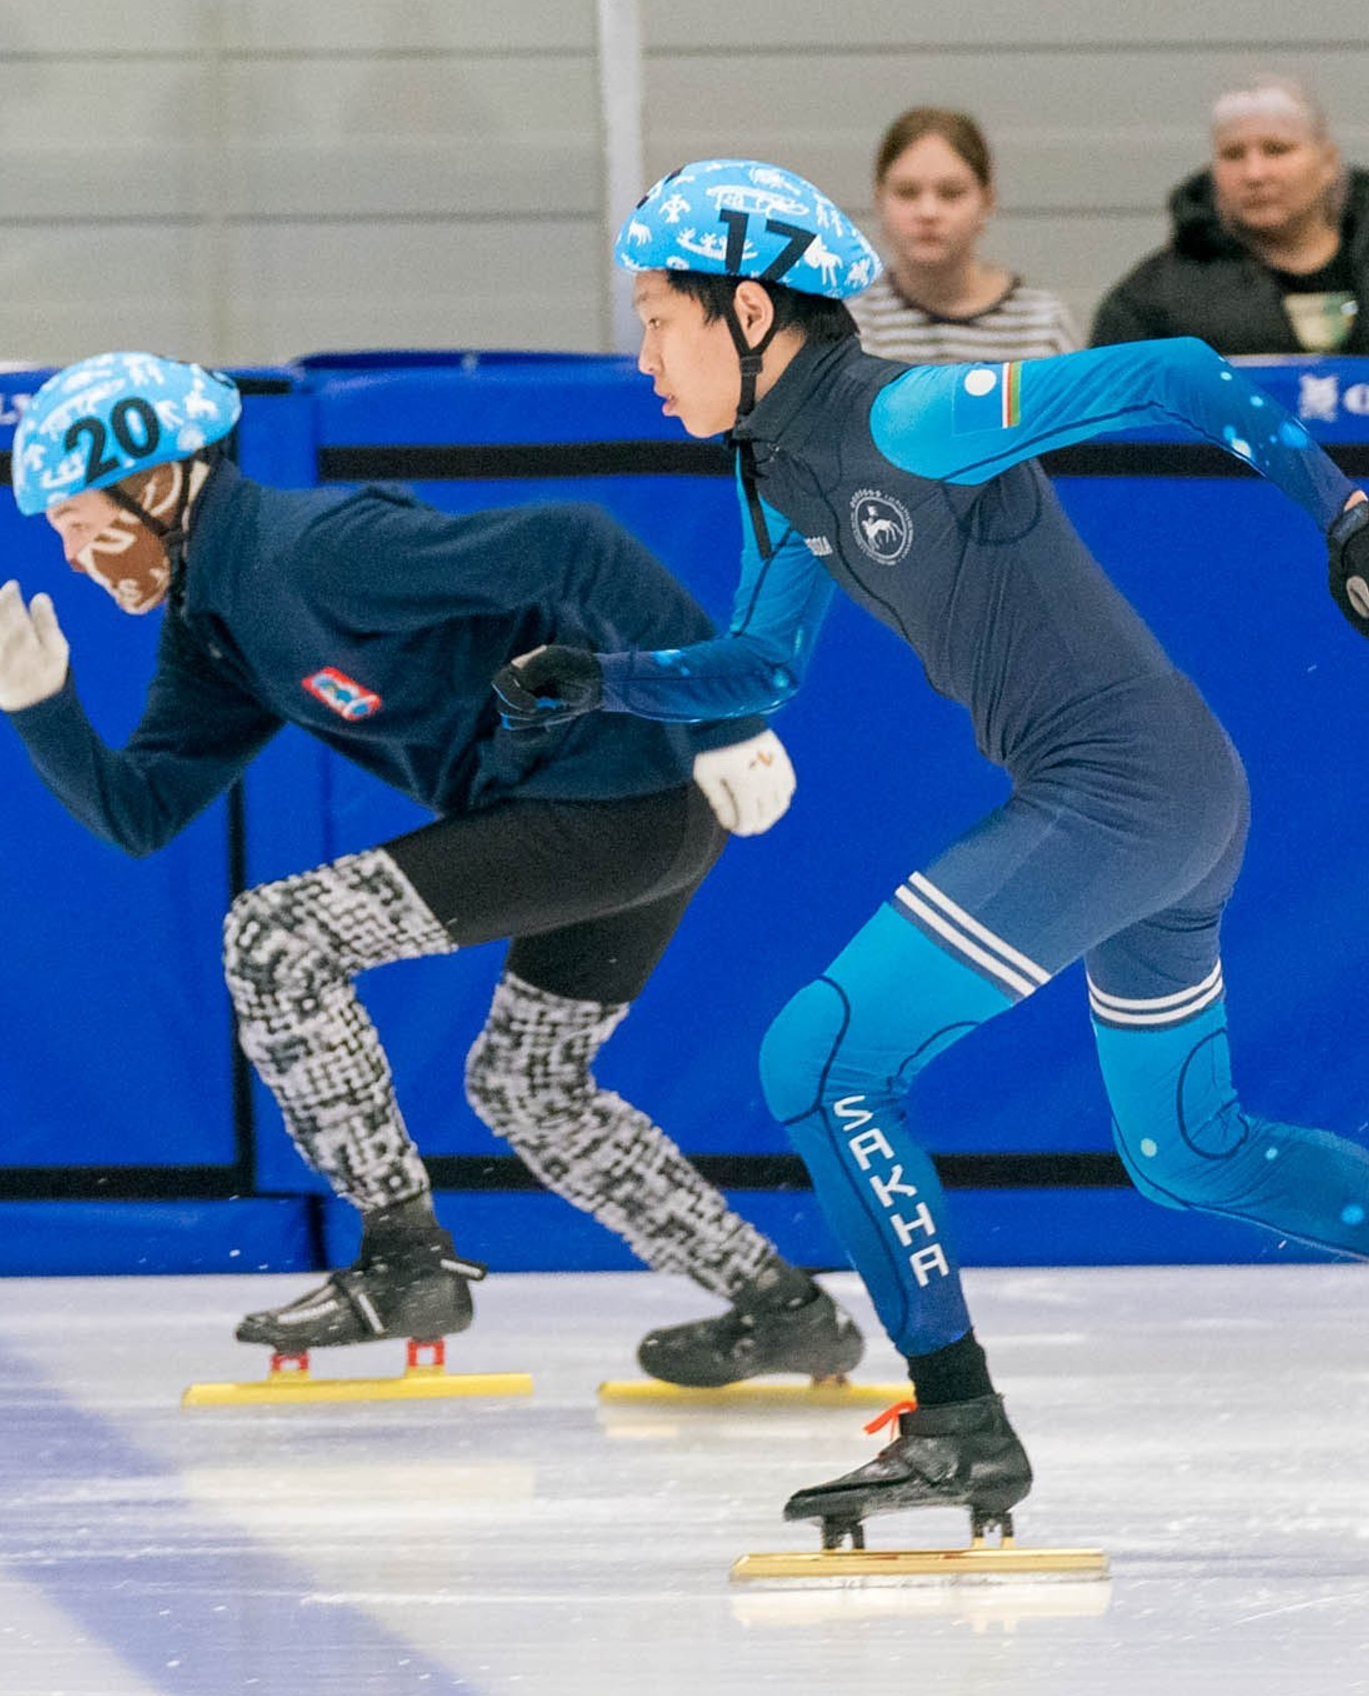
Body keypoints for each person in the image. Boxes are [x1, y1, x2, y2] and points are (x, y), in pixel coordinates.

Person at [496, 161, 1369, 1545]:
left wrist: (1341, 510)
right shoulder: (777, 471)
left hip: (1124, 792)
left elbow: (1185, 376)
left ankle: (957, 1422)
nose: (644, 354)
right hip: (1170, 797)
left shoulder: (909, 413)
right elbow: (757, 667)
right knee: (1193, 1155)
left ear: (747, 310)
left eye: (658, 318)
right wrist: (604, 679)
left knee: (821, 1059)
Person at [0, 349, 862, 1388]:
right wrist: (40, 713)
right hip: (606, 813)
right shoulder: (213, 628)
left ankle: (402, 1257)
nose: (77, 558)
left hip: (621, 797)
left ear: (159, 484)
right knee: (528, 1085)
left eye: (81, 523)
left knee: (278, 936)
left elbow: (578, 543)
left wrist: (728, 715)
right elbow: (141, 812)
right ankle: (783, 1307)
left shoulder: (306, 552)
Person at [1092, 77, 1369, 355]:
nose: (1254, 174)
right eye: (1233, 155)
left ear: (1328, 162)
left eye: (1277, 150)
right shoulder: (1151, 302)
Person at [852, 108, 1078, 361]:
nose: (928, 212)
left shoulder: (1041, 324)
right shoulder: (848, 322)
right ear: (879, 199)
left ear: (987, 200)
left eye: (951, 193)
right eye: (907, 193)